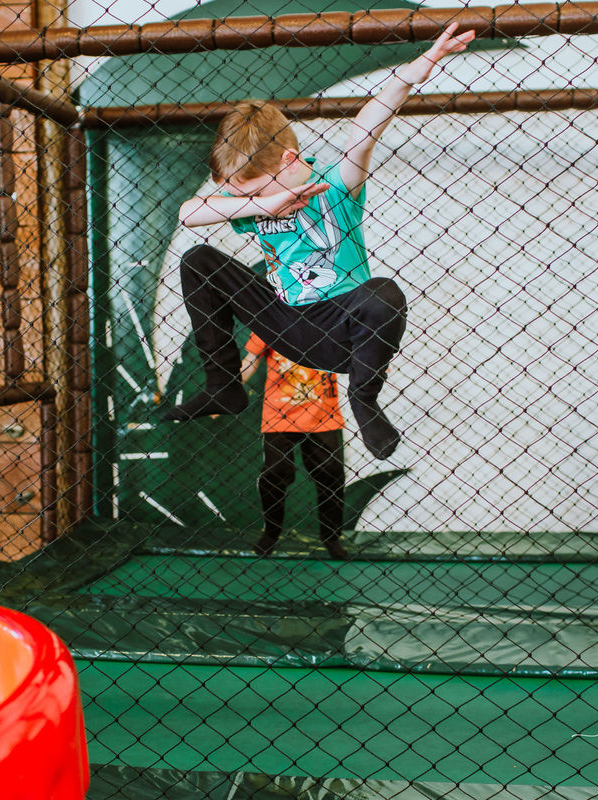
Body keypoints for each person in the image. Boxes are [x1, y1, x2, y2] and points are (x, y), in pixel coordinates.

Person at [167, 23, 476, 459]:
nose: (253, 201)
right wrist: (262, 205)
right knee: (198, 259)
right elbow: (189, 214)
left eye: (257, 190)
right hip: (287, 322)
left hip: (341, 331)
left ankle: (364, 400)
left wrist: (412, 73)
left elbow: (366, 129)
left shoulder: (336, 184)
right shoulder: (257, 204)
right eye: (246, 196)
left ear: (290, 161)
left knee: (383, 294)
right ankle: (223, 386)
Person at [241, 332, 348, 559]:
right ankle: (271, 533)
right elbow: (250, 361)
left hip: (323, 415)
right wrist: (224, 390)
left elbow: (357, 350)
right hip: (280, 415)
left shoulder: (331, 315)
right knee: (275, 473)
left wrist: (375, 364)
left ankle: (331, 538)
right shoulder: (268, 317)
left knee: (332, 475)